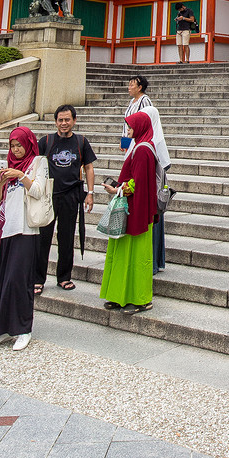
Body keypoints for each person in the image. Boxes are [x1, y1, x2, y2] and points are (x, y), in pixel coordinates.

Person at [0, 127, 48, 351]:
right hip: (4, 229)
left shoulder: (38, 162)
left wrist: (21, 176)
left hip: (24, 230)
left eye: (19, 145)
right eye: (12, 145)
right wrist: (1, 182)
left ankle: (23, 329)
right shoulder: (8, 166)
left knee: (18, 280)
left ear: (28, 143)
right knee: (0, 280)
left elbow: (39, 191)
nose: (16, 149)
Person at [100, 111, 158, 315]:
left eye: (131, 127)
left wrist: (118, 190)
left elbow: (138, 183)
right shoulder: (142, 146)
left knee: (136, 256)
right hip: (134, 208)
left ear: (140, 127)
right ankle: (121, 296)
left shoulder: (142, 149)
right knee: (126, 254)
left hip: (136, 209)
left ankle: (140, 299)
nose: (128, 130)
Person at [35, 105, 96, 294]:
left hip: (71, 195)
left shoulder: (81, 142)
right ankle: (37, 279)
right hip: (48, 195)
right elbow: (35, 165)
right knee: (42, 238)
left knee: (67, 237)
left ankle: (64, 277)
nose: (64, 123)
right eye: (60, 120)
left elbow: (89, 168)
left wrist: (90, 193)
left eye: (67, 120)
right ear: (55, 122)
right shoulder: (46, 141)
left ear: (74, 121)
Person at [123, 77, 169, 274]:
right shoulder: (130, 106)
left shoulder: (146, 105)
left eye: (133, 83)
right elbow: (127, 127)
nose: (130, 86)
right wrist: (125, 143)